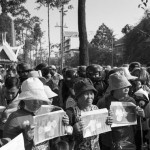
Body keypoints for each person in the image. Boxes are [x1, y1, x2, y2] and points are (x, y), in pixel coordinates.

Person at [3, 77, 69, 150]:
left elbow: (54, 137)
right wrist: (26, 138)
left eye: (39, 99)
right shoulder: (14, 118)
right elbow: (8, 145)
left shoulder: (47, 112)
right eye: (32, 99)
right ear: (24, 99)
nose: (36, 102)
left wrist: (63, 123)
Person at [97, 72, 145, 150]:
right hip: (109, 143)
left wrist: (141, 115)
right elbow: (98, 124)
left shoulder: (131, 100)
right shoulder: (103, 102)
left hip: (128, 142)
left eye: (128, 86)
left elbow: (137, 124)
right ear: (114, 88)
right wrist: (104, 121)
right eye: (123, 87)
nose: (127, 89)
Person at [66, 78, 112, 150]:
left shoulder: (95, 109)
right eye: (86, 94)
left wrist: (106, 123)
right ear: (78, 96)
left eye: (91, 93)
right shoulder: (70, 112)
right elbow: (64, 137)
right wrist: (73, 130)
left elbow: (100, 131)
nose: (90, 97)